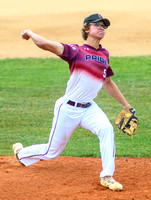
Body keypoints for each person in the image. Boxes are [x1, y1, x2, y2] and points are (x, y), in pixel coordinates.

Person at [13, 13, 131, 191]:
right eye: (97, 25)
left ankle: (107, 176)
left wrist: (125, 104)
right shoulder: (76, 51)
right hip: (67, 108)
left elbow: (107, 82)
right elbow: (46, 44)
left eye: (103, 26)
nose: (101, 28)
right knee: (51, 152)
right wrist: (30, 33)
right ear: (86, 29)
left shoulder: (104, 54)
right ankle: (21, 153)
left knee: (106, 129)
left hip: (89, 107)